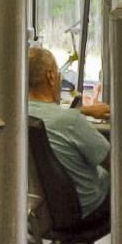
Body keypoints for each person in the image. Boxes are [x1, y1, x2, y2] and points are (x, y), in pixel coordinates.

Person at [24, 44, 110, 219]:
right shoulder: (70, 121)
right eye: (58, 73)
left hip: (39, 212)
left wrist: (82, 111)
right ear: (50, 76)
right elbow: (109, 158)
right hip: (86, 210)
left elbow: (50, 116)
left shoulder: (16, 115)